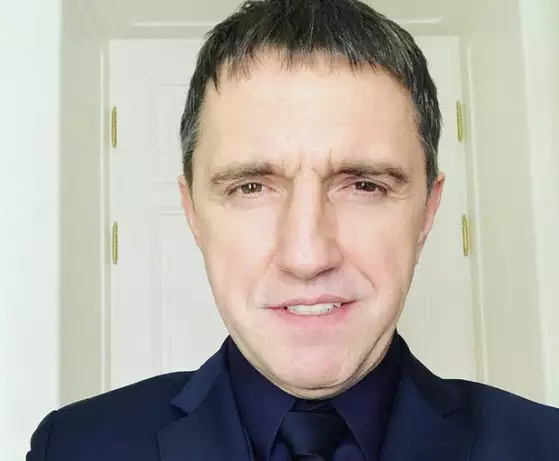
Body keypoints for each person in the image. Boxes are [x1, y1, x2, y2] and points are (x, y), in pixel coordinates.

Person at [27, 0, 559, 460]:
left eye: (365, 185)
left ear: (427, 212)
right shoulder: (74, 447)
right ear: (192, 213)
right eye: (251, 187)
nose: (307, 255)